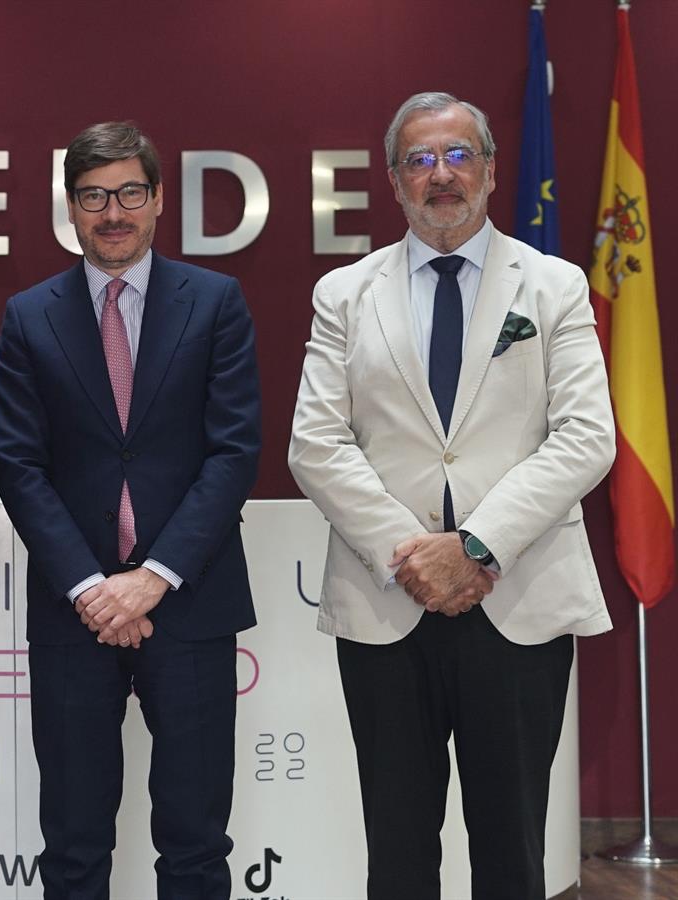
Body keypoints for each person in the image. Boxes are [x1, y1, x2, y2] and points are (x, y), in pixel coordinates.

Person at [288, 91, 614, 899]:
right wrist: (414, 557)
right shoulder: (344, 294)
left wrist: (472, 548)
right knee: (398, 853)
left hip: (517, 597)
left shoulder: (555, 285)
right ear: (394, 181)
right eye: (421, 160)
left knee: (512, 853)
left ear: (492, 171)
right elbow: (316, 444)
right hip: (388, 602)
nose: (442, 174)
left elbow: (585, 437)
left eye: (459, 155)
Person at [0, 121, 261, 900]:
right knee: (73, 843)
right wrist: (91, 588)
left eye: (130, 193)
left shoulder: (215, 302)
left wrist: (152, 578)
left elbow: (233, 452)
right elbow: (20, 466)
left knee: (196, 842)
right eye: (94, 197)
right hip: (73, 612)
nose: (113, 213)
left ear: (159, 199)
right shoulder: (28, 316)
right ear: (70, 208)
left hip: (191, 602)